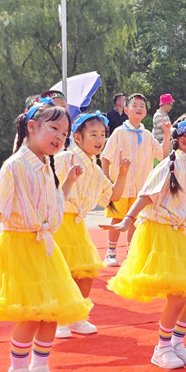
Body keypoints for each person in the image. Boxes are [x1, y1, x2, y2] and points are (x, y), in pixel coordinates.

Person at [0, 99, 92, 372]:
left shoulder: (46, 165)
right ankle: (16, 371)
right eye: (53, 128)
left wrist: (68, 181)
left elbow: (54, 203)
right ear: (32, 127)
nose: (59, 137)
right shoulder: (15, 165)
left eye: (64, 133)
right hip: (20, 245)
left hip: (44, 247)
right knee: (31, 312)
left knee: (51, 311)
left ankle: (40, 365)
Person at [104, 114, 186, 369]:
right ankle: (161, 348)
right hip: (158, 233)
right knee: (179, 295)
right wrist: (127, 220)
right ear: (183, 142)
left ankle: (177, 343)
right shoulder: (171, 166)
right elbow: (146, 196)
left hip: (175, 235)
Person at [53, 112, 130, 338]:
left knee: (85, 272)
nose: (99, 140)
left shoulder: (95, 169)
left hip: (77, 225)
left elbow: (114, 195)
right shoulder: (63, 159)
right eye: (93, 134)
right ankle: (57, 318)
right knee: (61, 273)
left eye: (103, 135)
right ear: (78, 138)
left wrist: (123, 174)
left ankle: (77, 316)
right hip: (58, 223)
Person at [101, 93, 170, 267]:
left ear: (146, 112)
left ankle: (131, 252)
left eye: (142, 106)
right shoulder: (119, 132)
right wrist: (107, 179)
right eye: (135, 105)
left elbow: (161, 154)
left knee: (134, 220)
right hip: (120, 187)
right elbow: (106, 156)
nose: (139, 108)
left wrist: (167, 134)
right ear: (126, 110)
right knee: (117, 219)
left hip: (140, 187)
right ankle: (111, 251)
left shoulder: (147, 134)